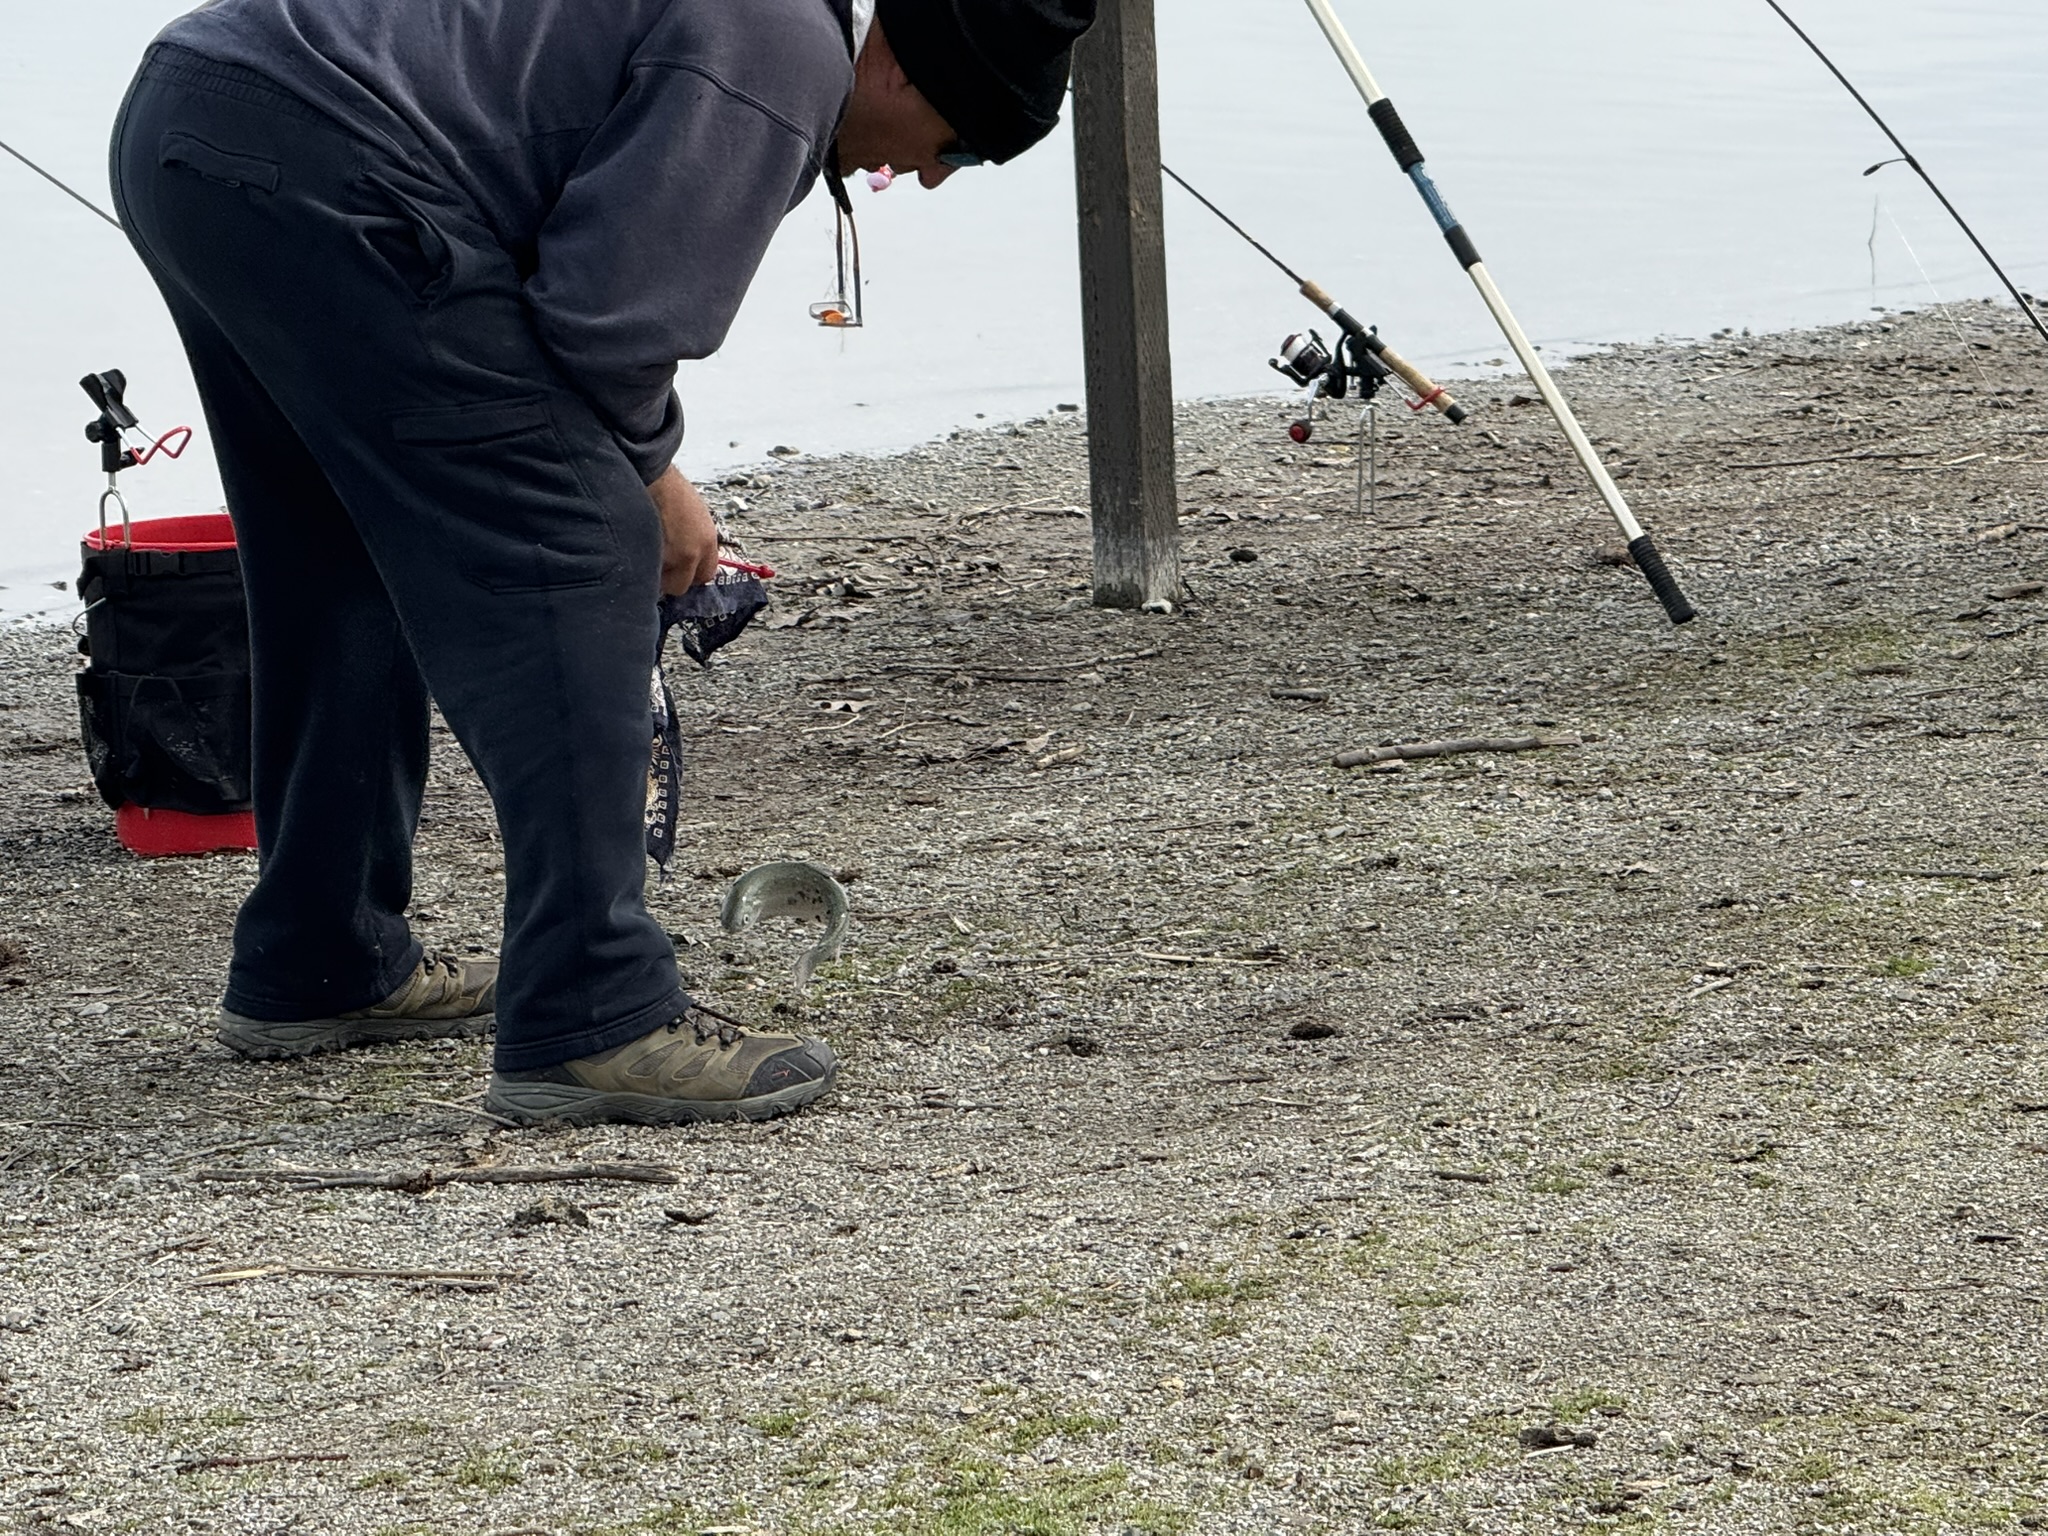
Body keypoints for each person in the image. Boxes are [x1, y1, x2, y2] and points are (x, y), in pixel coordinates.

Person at [109, 0, 1096, 1125]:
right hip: (328, 155)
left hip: (197, 111)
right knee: (578, 545)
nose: (931, 178)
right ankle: (595, 1013)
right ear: (913, 77)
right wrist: (657, 488)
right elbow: (607, 324)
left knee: (339, 546)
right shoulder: (779, 50)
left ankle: (319, 957)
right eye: (963, 148)